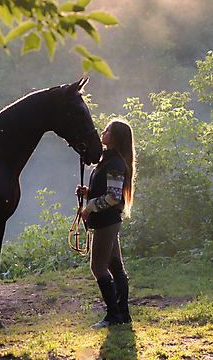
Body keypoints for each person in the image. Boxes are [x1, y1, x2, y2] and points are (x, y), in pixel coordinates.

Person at [76, 118, 136, 329]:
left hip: (106, 223)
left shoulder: (115, 163)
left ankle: (113, 316)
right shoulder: (108, 161)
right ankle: (123, 314)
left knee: (99, 268)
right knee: (114, 267)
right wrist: (88, 194)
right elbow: (109, 194)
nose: (103, 131)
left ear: (115, 137)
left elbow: (113, 197)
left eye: (108, 130)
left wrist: (90, 206)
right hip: (108, 221)